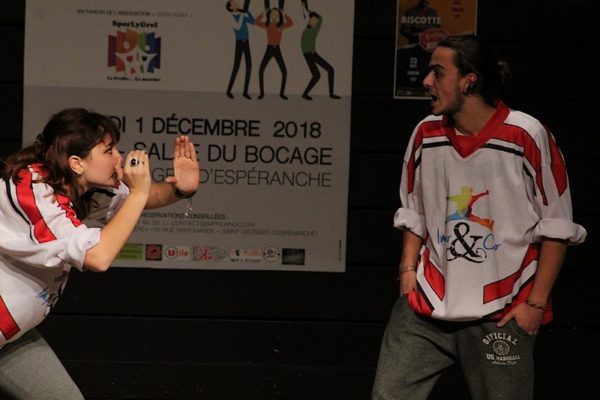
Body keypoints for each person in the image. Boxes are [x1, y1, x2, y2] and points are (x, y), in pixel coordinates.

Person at [372, 35, 586, 400]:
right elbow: (413, 211)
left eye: (438, 72)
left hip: (501, 311)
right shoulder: (425, 133)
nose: (427, 81)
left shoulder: (526, 134)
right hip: (426, 305)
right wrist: (407, 272)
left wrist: (535, 305)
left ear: (469, 81)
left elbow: (557, 225)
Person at [0, 108, 199, 399]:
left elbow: (139, 200)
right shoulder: (34, 192)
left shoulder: (77, 184)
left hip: (15, 332)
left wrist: (181, 191)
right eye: (108, 150)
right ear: (77, 163)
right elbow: (99, 257)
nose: (118, 157)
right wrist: (139, 192)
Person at [300, 9, 340, 100]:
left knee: (322, 73)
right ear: (309, 21)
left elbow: (321, 19)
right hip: (309, 54)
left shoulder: (314, 30)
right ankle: (306, 94)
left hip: (312, 54)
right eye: (312, 20)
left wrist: (308, 10)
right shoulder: (306, 32)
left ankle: (330, 94)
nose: (314, 22)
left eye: (315, 21)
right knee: (323, 73)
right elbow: (303, 46)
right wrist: (308, 53)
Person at [255, 7, 293, 100]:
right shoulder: (267, 24)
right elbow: (257, 22)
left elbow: (290, 23)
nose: (274, 15)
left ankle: (282, 93)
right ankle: (262, 93)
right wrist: (264, 12)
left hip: (277, 49)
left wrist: (284, 13)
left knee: (284, 71)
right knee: (261, 70)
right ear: (269, 15)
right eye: (272, 13)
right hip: (269, 48)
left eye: (276, 13)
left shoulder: (281, 25)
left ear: (279, 15)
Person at [226, 0, 255, 100]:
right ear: (231, 7)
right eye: (234, 3)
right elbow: (237, 26)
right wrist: (243, 14)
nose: (237, 3)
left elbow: (253, 22)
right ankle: (229, 90)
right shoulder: (231, 17)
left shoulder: (241, 13)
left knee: (249, 66)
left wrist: (247, 12)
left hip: (246, 42)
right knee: (236, 67)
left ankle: (245, 92)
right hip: (239, 43)